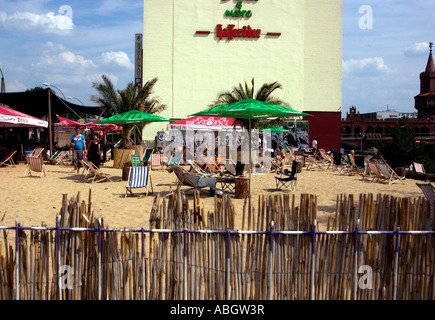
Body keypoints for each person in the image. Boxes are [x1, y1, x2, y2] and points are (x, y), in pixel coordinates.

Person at [167, 165, 234, 196]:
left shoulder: (183, 176)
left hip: (199, 180)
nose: (181, 170)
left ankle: (217, 189)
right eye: (180, 170)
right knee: (215, 179)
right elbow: (176, 167)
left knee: (213, 180)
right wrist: (171, 168)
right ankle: (228, 180)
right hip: (199, 182)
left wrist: (171, 168)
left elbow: (176, 167)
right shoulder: (183, 176)